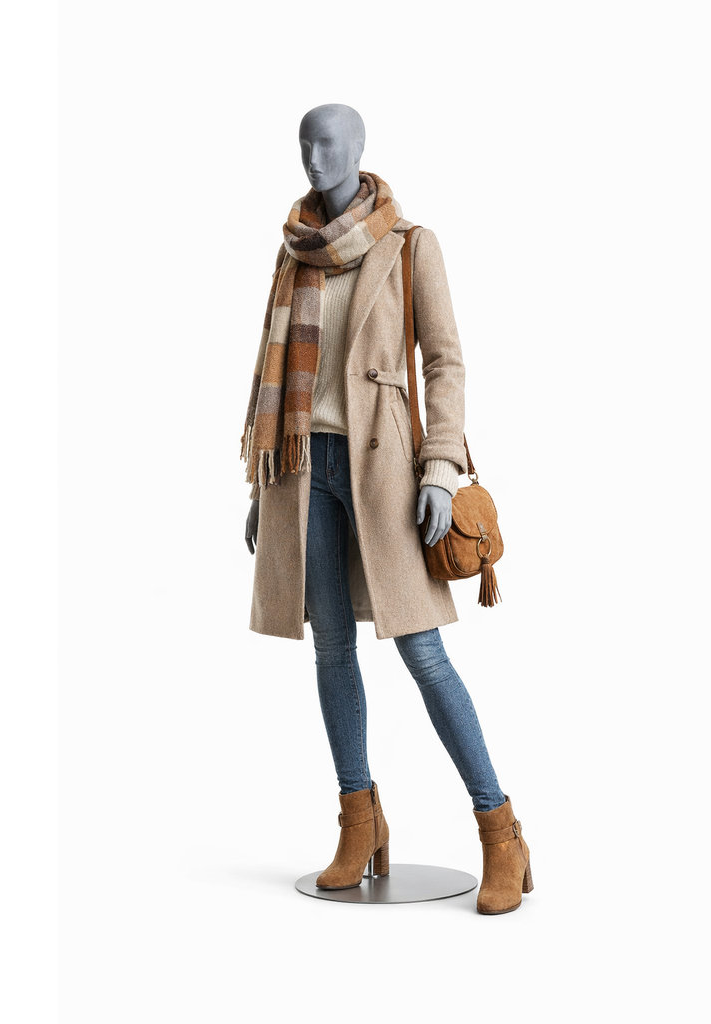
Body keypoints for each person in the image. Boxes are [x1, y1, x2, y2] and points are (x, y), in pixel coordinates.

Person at [240, 103, 532, 914]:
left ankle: (501, 830)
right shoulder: (293, 251)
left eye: (330, 141)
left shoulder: (409, 245)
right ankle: (359, 824)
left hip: (387, 474)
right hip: (306, 470)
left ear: (361, 148)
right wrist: (262, 487)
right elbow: (267, 374)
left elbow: (445, 363)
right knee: (332, 651)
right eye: (305, 142)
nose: (315, 155)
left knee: (423, 652)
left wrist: (439, 467)